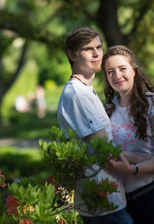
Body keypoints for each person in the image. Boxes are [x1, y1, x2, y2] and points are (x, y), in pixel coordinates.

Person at [57, 27, 133, 224]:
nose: (97, 53)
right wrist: (153, 162)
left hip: (109, 199)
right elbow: (106, 150)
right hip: (103, 204)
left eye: (99, 47)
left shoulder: (85, 90)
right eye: (88, 49)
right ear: (72, 54)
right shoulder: (77, 94)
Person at [102, 45, 154, 224]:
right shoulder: (108, 109)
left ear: (134, 70)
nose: (117, 76)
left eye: (122, 69)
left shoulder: (153, 103)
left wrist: (132, 165)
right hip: (125, 204)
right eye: (110, 72)